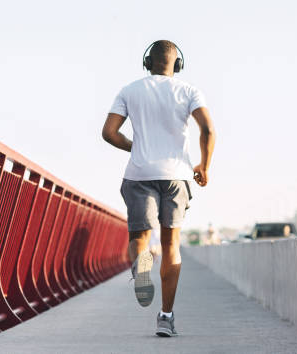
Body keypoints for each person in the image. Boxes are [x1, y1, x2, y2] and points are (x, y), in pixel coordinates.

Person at [102, 40, 216, 337]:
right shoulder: (189, 91)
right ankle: (165, 316)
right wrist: (203, 166)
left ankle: (142, 270)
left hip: (139, 173)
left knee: (140, 237)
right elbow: (208, 129)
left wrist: (134, 147)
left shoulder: (129, 90)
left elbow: (109, 133)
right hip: (176, 176)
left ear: (147, 63)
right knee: (170, 245)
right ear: (177, 65)